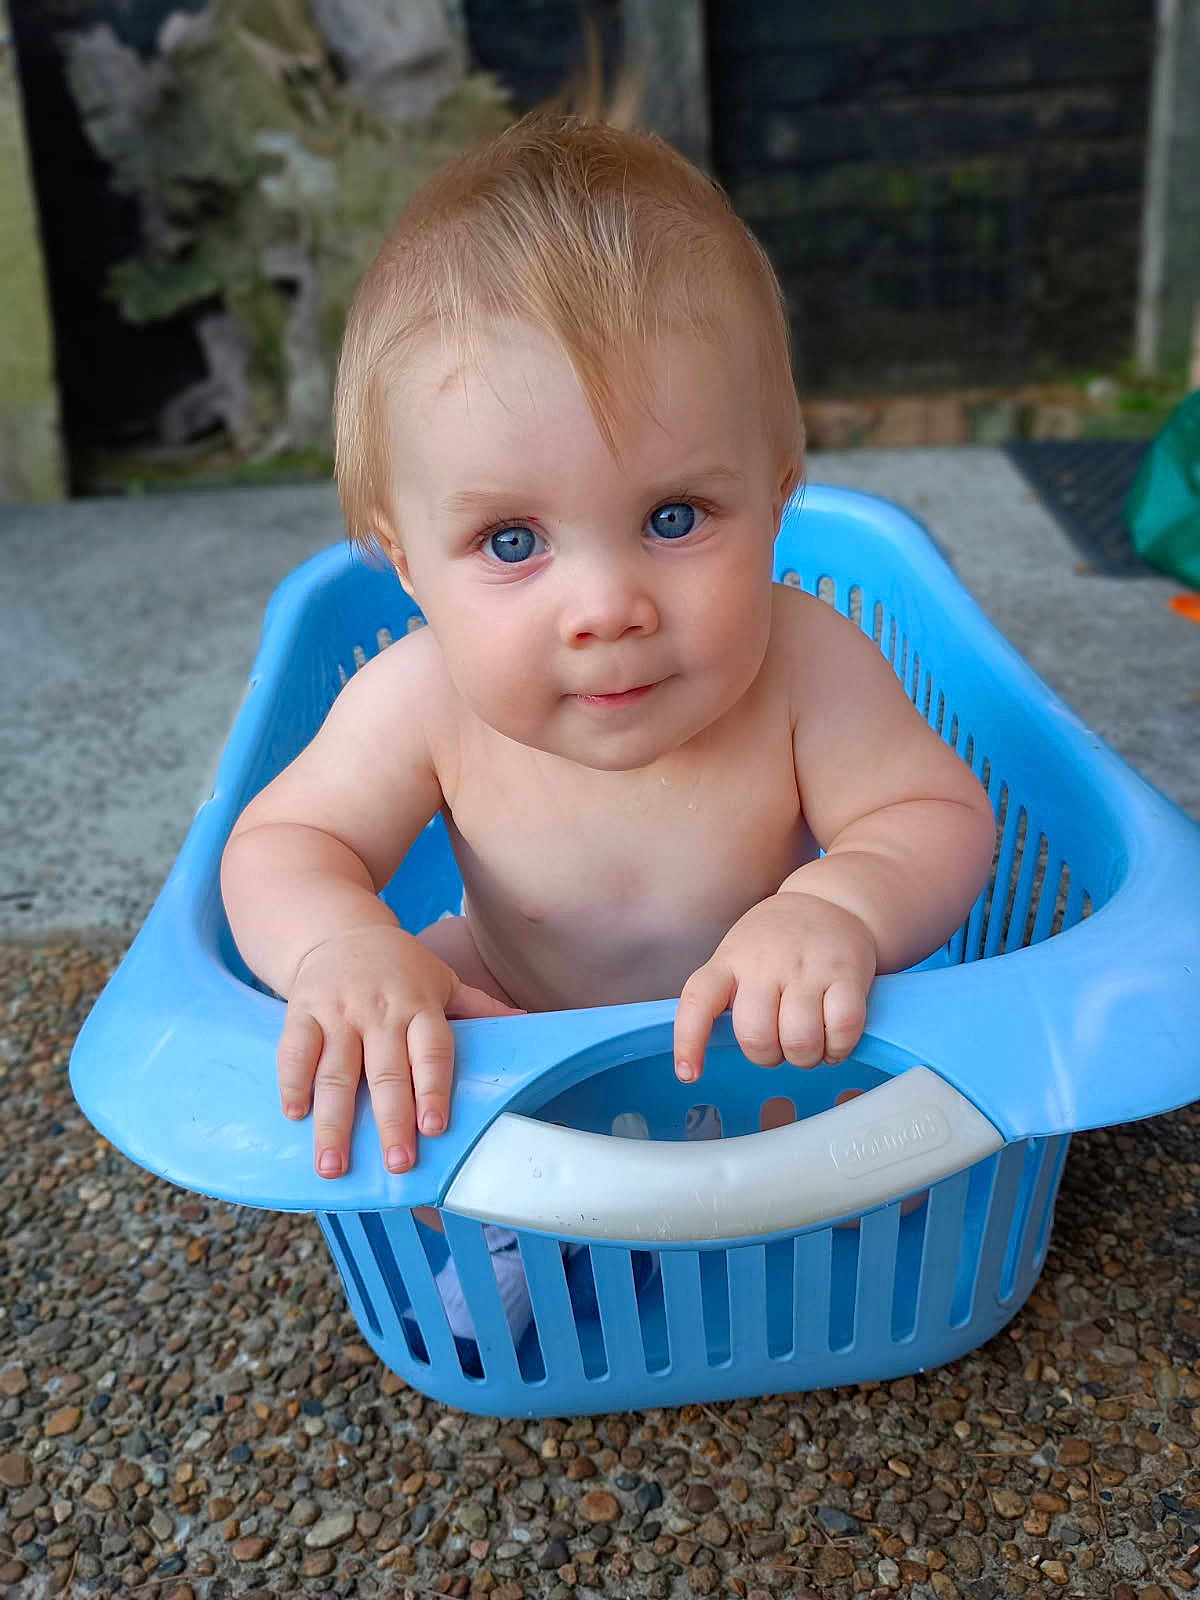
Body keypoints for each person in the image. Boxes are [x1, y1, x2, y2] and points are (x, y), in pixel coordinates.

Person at [220, 111, 996, 1358]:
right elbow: (283, 840)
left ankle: (804, 1202)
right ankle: (535, 1225)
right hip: (528, 1067)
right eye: (513, 543)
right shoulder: (419, 694)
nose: (609, 608)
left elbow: (937, 813)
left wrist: (838, 905)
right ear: (403, 561)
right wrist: (347, 949)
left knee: (910, 1167)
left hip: (783, 1064)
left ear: (782, 483)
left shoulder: (805, 661)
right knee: (438, 1075)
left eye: (677, 515)